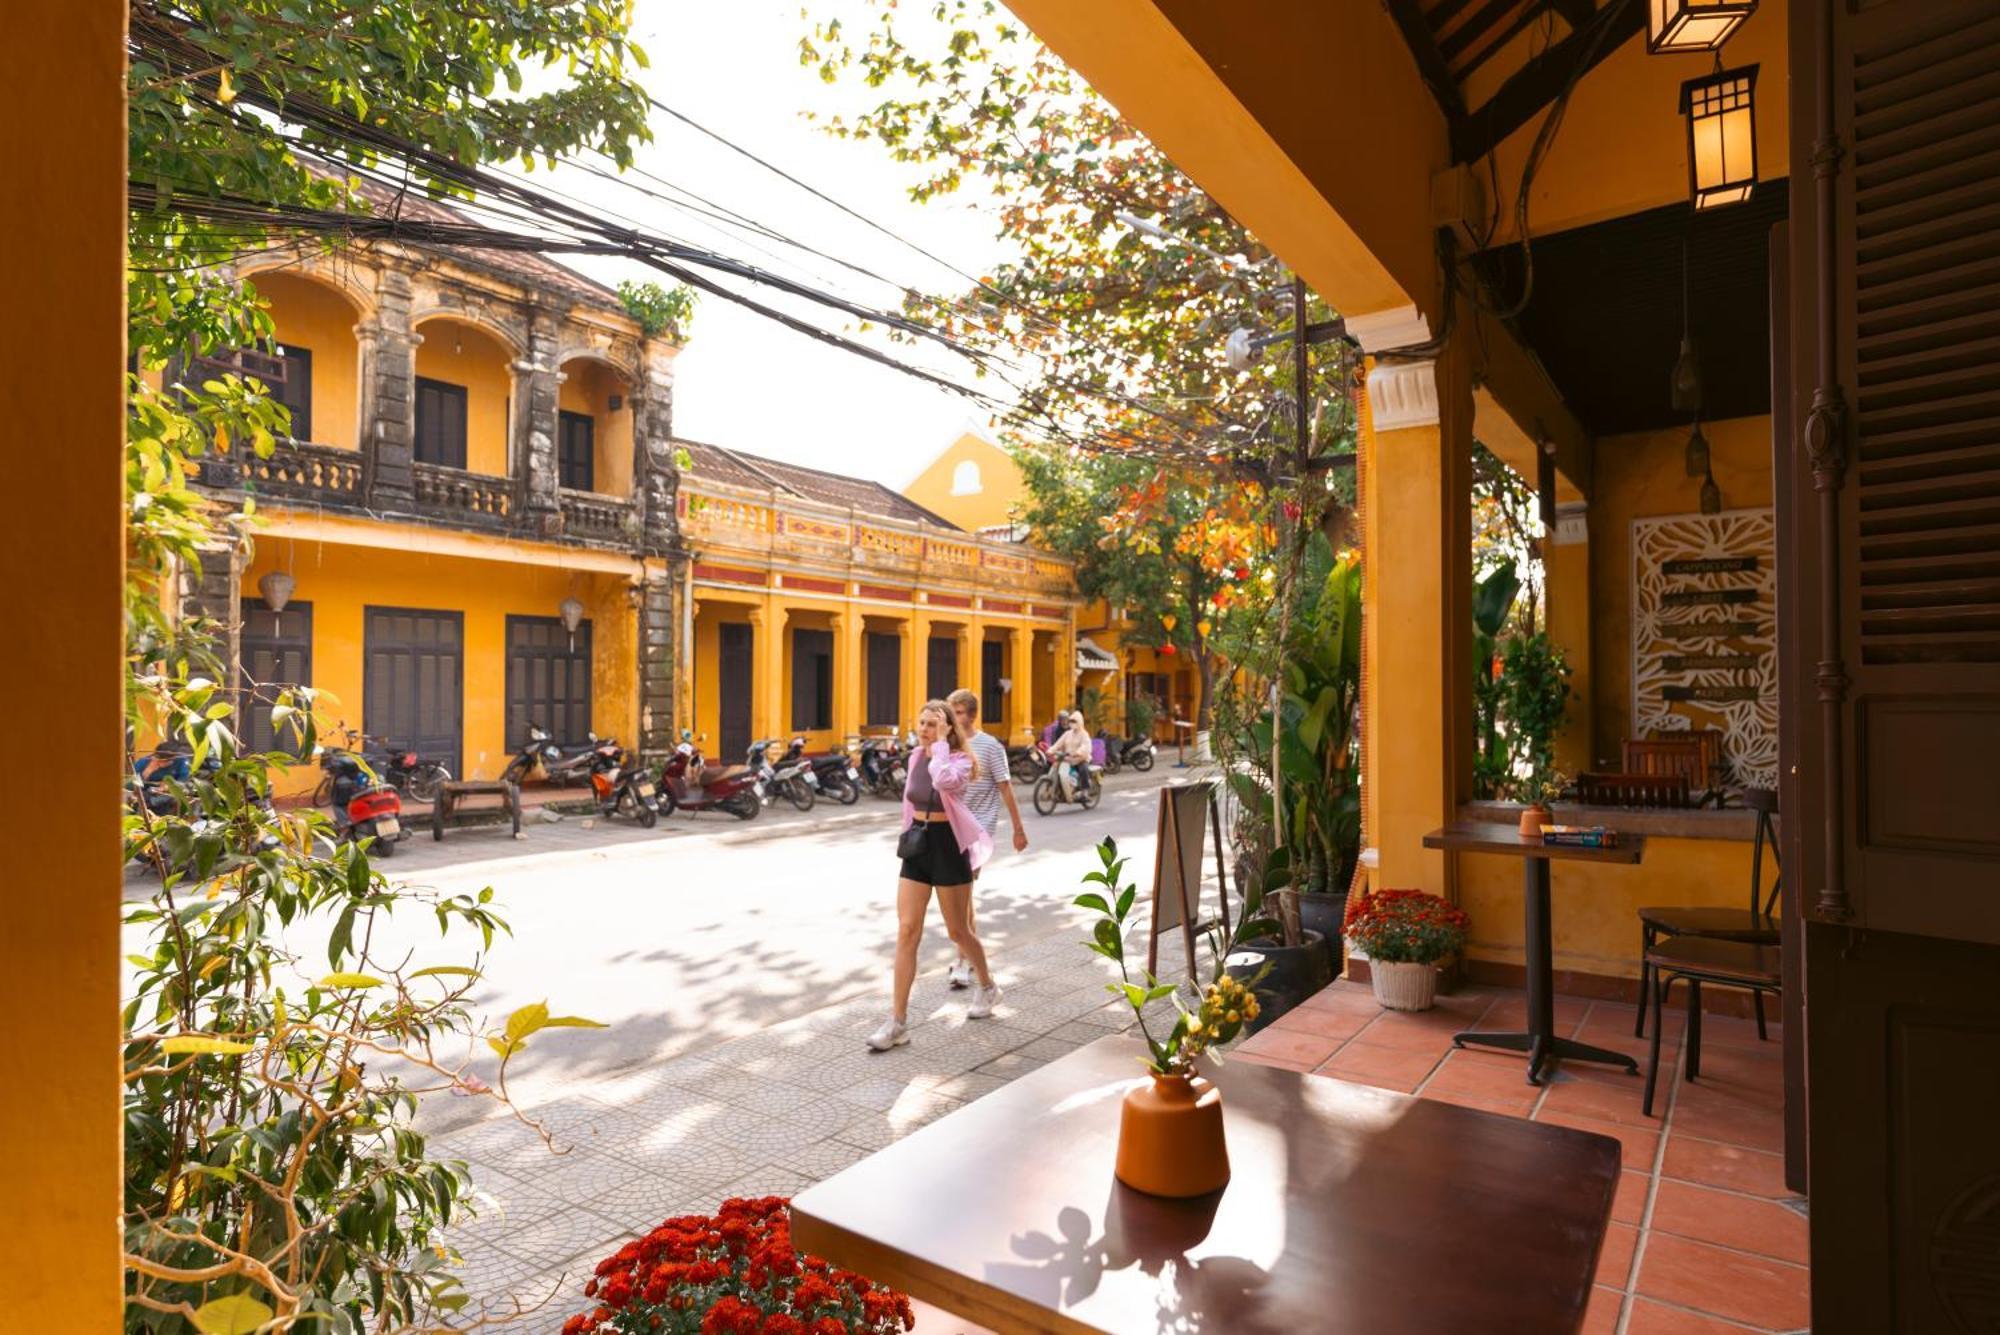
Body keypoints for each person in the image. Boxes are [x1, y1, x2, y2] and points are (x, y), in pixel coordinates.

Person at [867, 700, 1000, 1051]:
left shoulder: (961, 760)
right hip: (919, 845)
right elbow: (910, 802)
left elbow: (944, 783)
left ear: (948, 728)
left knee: (959, 930)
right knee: (907, 930)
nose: (924, 730)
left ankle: (987, 986)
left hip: (949, 847)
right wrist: (907, 837)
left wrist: (941, 743)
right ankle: (897, 1022)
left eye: (932, 724)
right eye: (922, 723)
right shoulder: (915, 756)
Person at [945, 687, 1029, 990]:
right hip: (950, 829)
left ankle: (964, 961)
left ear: (971, 714)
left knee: (963, 894)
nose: (952, 718)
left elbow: (1005, 788)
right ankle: (965, 955)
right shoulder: (949, 745)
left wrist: (1018, 829)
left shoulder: (990, 746)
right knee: (959, 895)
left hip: (978, 831)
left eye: (957, 712)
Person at [1049, 709, 1093, 801]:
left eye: (1074, 721)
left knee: (1083, 769)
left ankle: (1085, 791)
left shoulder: (1084, 734)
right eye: (1071, 721)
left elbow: (1086, 746)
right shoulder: (1067, 733)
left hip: (1081, 759)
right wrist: (1050, 750)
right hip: (1068, 759)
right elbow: (1058, 743)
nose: (1072, 723)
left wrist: (1078, 752)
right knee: (1059, 770)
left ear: (1080, 722)